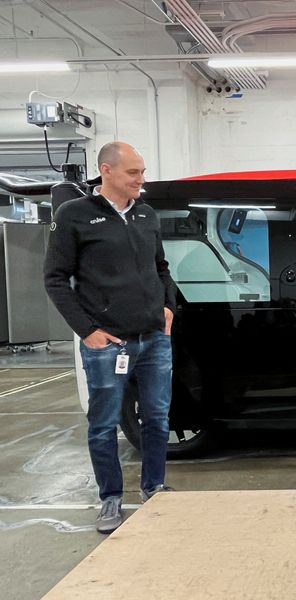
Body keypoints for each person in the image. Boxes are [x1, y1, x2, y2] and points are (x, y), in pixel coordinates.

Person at [44, 141, 176, 534]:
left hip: (154, 338)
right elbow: (54, 279)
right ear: (107, 170)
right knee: (103, 424)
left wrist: (168, 309)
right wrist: (87, 331)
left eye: (142, 171)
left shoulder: (146, 214)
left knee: (157, 417)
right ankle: (111, 499)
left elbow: (161, 267)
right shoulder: (74, 215)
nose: (141, 179)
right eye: (134, 172)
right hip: (108, 343)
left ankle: (154, 487)